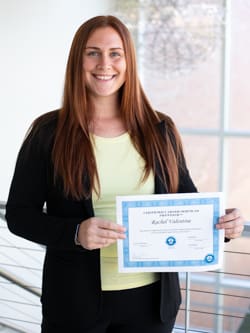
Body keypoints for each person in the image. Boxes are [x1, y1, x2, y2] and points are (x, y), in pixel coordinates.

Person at [5, 15, 245, 333]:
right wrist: (76, 233)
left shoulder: (160, 130)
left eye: (115, 53)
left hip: (150, 304)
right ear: (78, 61)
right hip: (75, 303)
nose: (105, 64)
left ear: (128, 61)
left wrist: (224, 224)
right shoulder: (48, 133)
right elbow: (20, 216)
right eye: (93, 52)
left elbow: (188, 205)